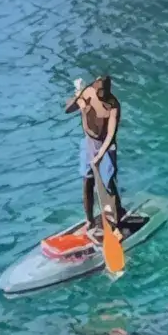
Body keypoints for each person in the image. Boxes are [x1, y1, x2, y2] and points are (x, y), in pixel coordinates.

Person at [65, 74, 123, 235]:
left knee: (107, 184)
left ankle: (114, 223)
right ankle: (89, 220)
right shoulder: (87, 92)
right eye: (98, 90)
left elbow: (111, 134)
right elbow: (68, 110)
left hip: (106, 145)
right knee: (87, 181)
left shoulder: (113, 106)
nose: (100, 94)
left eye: (104, 91)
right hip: (89, 143)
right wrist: (77, 98)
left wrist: (99, 156)